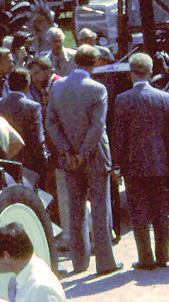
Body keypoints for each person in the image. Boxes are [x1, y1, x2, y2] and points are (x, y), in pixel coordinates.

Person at [45, 44, 119, 277]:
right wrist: (83, 153)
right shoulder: (97, 89)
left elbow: (51, 123)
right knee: (100, 208)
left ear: (76, 60)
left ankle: (79, 262)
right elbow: (98, 126)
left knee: (75, 212)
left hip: (69, 159)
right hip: (95, 156)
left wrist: (67, 152)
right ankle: (105, 262)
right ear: (95, 62)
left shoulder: (57, 87)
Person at [111, 51, 169, 270]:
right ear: (150, 72)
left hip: (133, 164)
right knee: (160, 211)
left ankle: (146, 258)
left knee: (139, 213)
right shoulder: (165, 98)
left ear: (130, 74)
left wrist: (117, 163)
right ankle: (163, 256)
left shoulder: (122, 100)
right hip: (158, 162)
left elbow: (119, 135)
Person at [0, 69, 48, 181]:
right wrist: (44, 161)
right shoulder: (33, 107)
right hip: (29, 165)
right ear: (28, 84)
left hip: (4, 163)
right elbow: (37, 139)